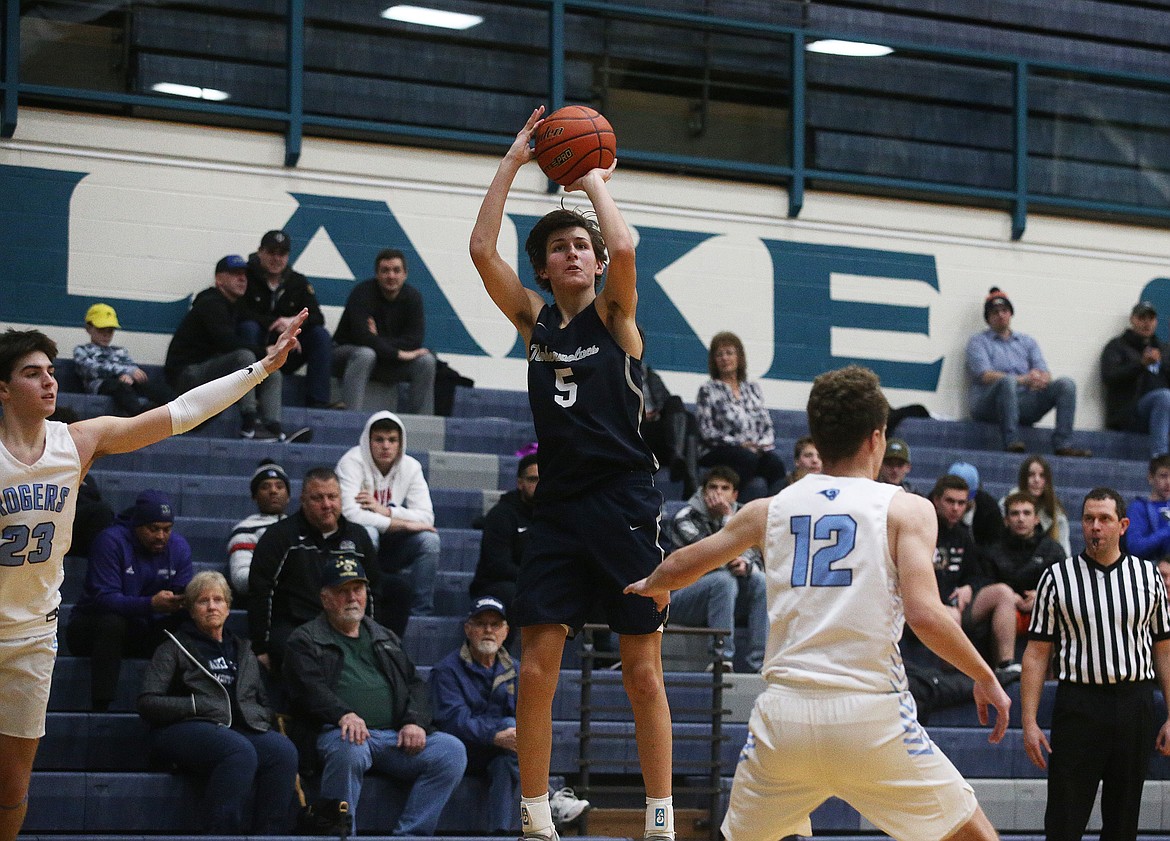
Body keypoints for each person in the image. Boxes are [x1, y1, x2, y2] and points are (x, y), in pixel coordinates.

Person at [625, 364, 1010, 841]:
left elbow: (688, 561)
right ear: (876, 439)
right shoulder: (905, 508)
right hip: (870, 714)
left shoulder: (768, 509)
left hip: (784, 718)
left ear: (818, 439)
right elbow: (926, 615)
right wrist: (985, 674)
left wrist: (655, 585)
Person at [0, 313, 305, 841]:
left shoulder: (76, 442)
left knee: (12, 788)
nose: (49, 379)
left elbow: (181, 412)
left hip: (30, 639)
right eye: (32, 372)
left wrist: (261, 368)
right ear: (3, 389)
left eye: (51, 369)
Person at [469, 107, 674, 841]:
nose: (576, 254)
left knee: (641, 670)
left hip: (623, 501)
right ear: (547, 266)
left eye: (582, 245)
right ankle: (532, 816)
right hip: (556, 506)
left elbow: (623, 241)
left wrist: (588, 177)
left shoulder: (618, 316)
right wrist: (515, 160)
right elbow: (480, 247)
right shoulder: (535, 323)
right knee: (535, 666)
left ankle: (659, 817)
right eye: (561, 247)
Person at [1021, 487, 1170, 841]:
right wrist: (1028, 720)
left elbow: (1164, 649)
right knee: (1064, 820)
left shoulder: (1149, 577)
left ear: (1123, 525)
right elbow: (1037, 653)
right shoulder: (1057, 578)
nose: (1095, 527)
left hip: (1135, 703)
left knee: (1123, 823)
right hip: (1079, 705)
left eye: (1104, 519)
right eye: (1089, 519)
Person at [282, 556, 467, 835]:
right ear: (325, 598)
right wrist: (343, 714)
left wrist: (413, 721)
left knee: (451, 751)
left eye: (357, 589)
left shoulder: (384, 636)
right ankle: (342, 834)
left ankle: (410, 836)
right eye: (342, 591)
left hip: (393, 737)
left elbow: (415, 684)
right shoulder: (305, 639)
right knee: (349, 749)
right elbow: (308, 690)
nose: (352, 597)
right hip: (336, 733)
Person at [137, 570, 298, 833]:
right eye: (203, 601)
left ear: (228, 607)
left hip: (238, 728)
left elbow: (262, 700)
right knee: (239, 751)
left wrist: (260, 715)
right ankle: (220, 834)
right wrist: (196, 705)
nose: (212, 606)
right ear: (190, 609)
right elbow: (147, 702)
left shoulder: (243, 650)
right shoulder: (173, 647)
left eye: (218, 599)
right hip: (185, 728)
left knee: (283, 752)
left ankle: (268, 835)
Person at [248, 466, 406, 669]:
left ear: (341, 499)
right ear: (303, 500)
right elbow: (261, 591)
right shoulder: (279, 536)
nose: (326, 505)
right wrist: (261, 648)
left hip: (348, 624)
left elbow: (373, 590)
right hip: (297, 627)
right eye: (317, 498)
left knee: (398, 592)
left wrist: (372, 637)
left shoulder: (358, 537)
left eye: (332, 497)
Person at [65, 489, 192, 711]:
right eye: (154, 529)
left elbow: (184, 590)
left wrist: (186, 599)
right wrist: (150, 604)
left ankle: (179, 704)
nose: (161, 536)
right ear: (137, 525)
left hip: (141, 628)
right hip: (90, 629)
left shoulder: (178, 547)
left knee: (189, 620)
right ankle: (101, 705)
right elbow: (104, 599)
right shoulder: (110, 541)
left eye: (167, 529)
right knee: (112, 621)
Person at [165, 254, 306, 441]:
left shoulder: (234, 304)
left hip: (208, 371)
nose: (242, 279)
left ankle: (274, 428)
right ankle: (250, 423)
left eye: (244, 274)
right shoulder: (210, 303)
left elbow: (257, 319)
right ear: (219, 279)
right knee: (244, 357)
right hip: (187, 375)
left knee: (272, 371)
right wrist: (265, 351)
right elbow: (227, 342)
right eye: (234, 274)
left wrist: (283, 326)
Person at [430, 596, 520, 834]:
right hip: (463, 752)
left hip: (504, 753)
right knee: (511, 731)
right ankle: (551, 800)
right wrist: (495, 735)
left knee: (507, 758)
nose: (488, 630)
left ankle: (499, 834)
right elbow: (453, 721)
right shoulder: (446, 670)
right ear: (467, 629)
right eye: (481, 623)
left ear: (506, 631)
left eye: (495, 624)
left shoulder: (517, 669)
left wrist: (510, 736)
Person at [966, 286, 1091, 457]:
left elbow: (1044, 371)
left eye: (1004, 310)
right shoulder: (978, 342)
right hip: (988, 404)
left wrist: (1040, 379)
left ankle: (1063, 444)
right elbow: (985, 375)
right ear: (988, 318)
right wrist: (1023, 380)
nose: (1001, 315)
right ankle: (1011, 440)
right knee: (1007, 382)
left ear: (1011, 314)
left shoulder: (1027, 342)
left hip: (1024, 402)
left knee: (1065, 385)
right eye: (995, 312)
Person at [335, 411, 439, 616]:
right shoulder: (351, 462)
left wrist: (386, 511)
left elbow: (427, 517)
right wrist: (403, 523)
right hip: (355, 542)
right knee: (368, 532)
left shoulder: (411, 467)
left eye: (392, 440)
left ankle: (421, 611)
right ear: (368, 441)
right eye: (379, 440)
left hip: (392, 545)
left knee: (430, 540)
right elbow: (349, 514)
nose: (386, 446)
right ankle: (367, 602)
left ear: (400, 443)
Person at [665, 466, 767, 673]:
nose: (718, 493)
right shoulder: (685, 517)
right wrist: (728, 519)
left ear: (735, 494)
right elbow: (712, 557)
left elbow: (754, 555)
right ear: (703, 492)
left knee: (761, 581)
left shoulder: (746, 516)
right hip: (684, 598)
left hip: (726, 600)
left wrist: (745, 564)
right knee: (722, 580)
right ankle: (721, 658)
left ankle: (761, 663)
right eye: (712, 487)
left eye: (725, 488)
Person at [929, 475, 1020, 685]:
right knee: (951, 617)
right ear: (936, 500)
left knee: (1003, 593)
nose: (955, 508)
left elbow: (978, 573)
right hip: (925, 607)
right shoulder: (924, 529)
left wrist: (969, 587)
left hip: (957, 604)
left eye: (961, 503)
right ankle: (948, 678)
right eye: (950, 501)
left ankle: (1005, 664)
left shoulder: (963, 535)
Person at [332, 248, 437, 414]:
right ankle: (351, 417)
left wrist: (377, 339)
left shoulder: (413, 297)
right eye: (385, 270)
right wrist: (397, 353)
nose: (391, 276)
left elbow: (414, 341)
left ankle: (422, 421)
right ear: (377, 274)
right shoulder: (362, 293)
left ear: (405, 274)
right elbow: (362, 338)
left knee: (426, 361)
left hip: (384, 359)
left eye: (396, 270)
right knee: (365, 354)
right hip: (347, 356)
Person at [241, 230, 335, 410]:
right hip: (258, 348)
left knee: (320, 336)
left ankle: (318, 402)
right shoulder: (245, 276)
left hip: (287, 350)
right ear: (260, 252)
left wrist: (292, 323)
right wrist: (274, 324)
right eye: (271, 253)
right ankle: (248, 396)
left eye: (282, 254)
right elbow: (238, 311)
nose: (276, 259)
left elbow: (317, 317)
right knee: (248, 327)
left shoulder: (297, 281)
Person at [695, 331, 786, 501]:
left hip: (752, 450)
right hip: (717, 449)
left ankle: (772, 514)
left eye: (729, 353)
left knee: (775, 464)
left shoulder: (753, 388)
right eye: (719, 354)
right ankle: (733, 510)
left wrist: (760, 446)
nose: (724, 358)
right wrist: (741, 444)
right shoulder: (708, 390)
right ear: (714, 360)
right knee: (746, 459)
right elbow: (706, 431)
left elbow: (766, 426)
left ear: (739, 357)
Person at [981, 492, 1065, 636]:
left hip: (1044, 609)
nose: (1021, 519)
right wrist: (1009, 598)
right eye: (1015, 514)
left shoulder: (1053, 550)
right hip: (1004, 610)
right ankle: (1006, 659)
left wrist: (1041, 597)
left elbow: (1065, 585)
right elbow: (985, 586)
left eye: (1026, 513)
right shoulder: (992, 551)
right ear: (1006, 520)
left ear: (1036, 519)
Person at [72, 303, 173, 416]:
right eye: (101, 330)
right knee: (119, 387)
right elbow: (90, 369)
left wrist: (129, 375)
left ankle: (176, 412)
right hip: (101, 385)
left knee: (150, 386)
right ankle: (141, 413)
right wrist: (122, 372)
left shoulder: (119, 351)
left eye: (110, 330)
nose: (106, 335)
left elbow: (131, 366)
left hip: (125, 382)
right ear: (88, 328)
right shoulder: (81, 350)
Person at [469, 453, 538, 616]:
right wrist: (536, 578)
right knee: (515, 593)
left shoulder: (555, 515)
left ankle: (599, 641)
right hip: (497, 584)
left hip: (537, 581)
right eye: (533, 479)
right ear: (520, 483)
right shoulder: (501, 515)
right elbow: (499, 566)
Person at [1101, 300, 1170, 458]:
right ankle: (1160, 459)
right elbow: (1110, 377)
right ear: (1132, 320)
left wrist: (1163, 363)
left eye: (1150, 319)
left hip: (1163, 413)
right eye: (1142, 318)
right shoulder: (1117, 346)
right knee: (1165, 397)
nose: (1146, 323)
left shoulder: (1164, 350)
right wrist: (1141, 364)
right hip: (1132, 413)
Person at [227, 459, 292, 595]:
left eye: (279, 486)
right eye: (265, 487)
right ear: (254, 496)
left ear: (288, 496)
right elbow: (241, 579)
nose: (273, 491)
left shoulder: (302, 527)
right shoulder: (245, 530)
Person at [642, 364, 698, 499]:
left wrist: (658, 413)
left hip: (659, 431)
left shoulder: (650, 374)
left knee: (678, 403)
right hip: (637, 433)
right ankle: (691, 479)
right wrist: (641, 415)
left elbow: (666, 402)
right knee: (688, 419)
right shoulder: (616, 374)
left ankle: (677, 457)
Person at [996, 454, 1071, 557]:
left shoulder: (1057, 515)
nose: (1036, 480)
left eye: (1042, 476)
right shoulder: (1004, 506)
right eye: (1031, 475)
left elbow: (1065, 553)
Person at [946, 460, 1006, 548]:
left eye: (963, 500)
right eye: (950, 500)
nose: (956, 507)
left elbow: (996, 547)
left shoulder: (988, 507)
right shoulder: (933, 505)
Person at [1124, 454, 1170, 561]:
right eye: (1163, 476)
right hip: (1152, 569)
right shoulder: (1139, 508)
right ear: (1151, 477)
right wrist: (1166, 531)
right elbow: (1135, 547)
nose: (1168, 482)